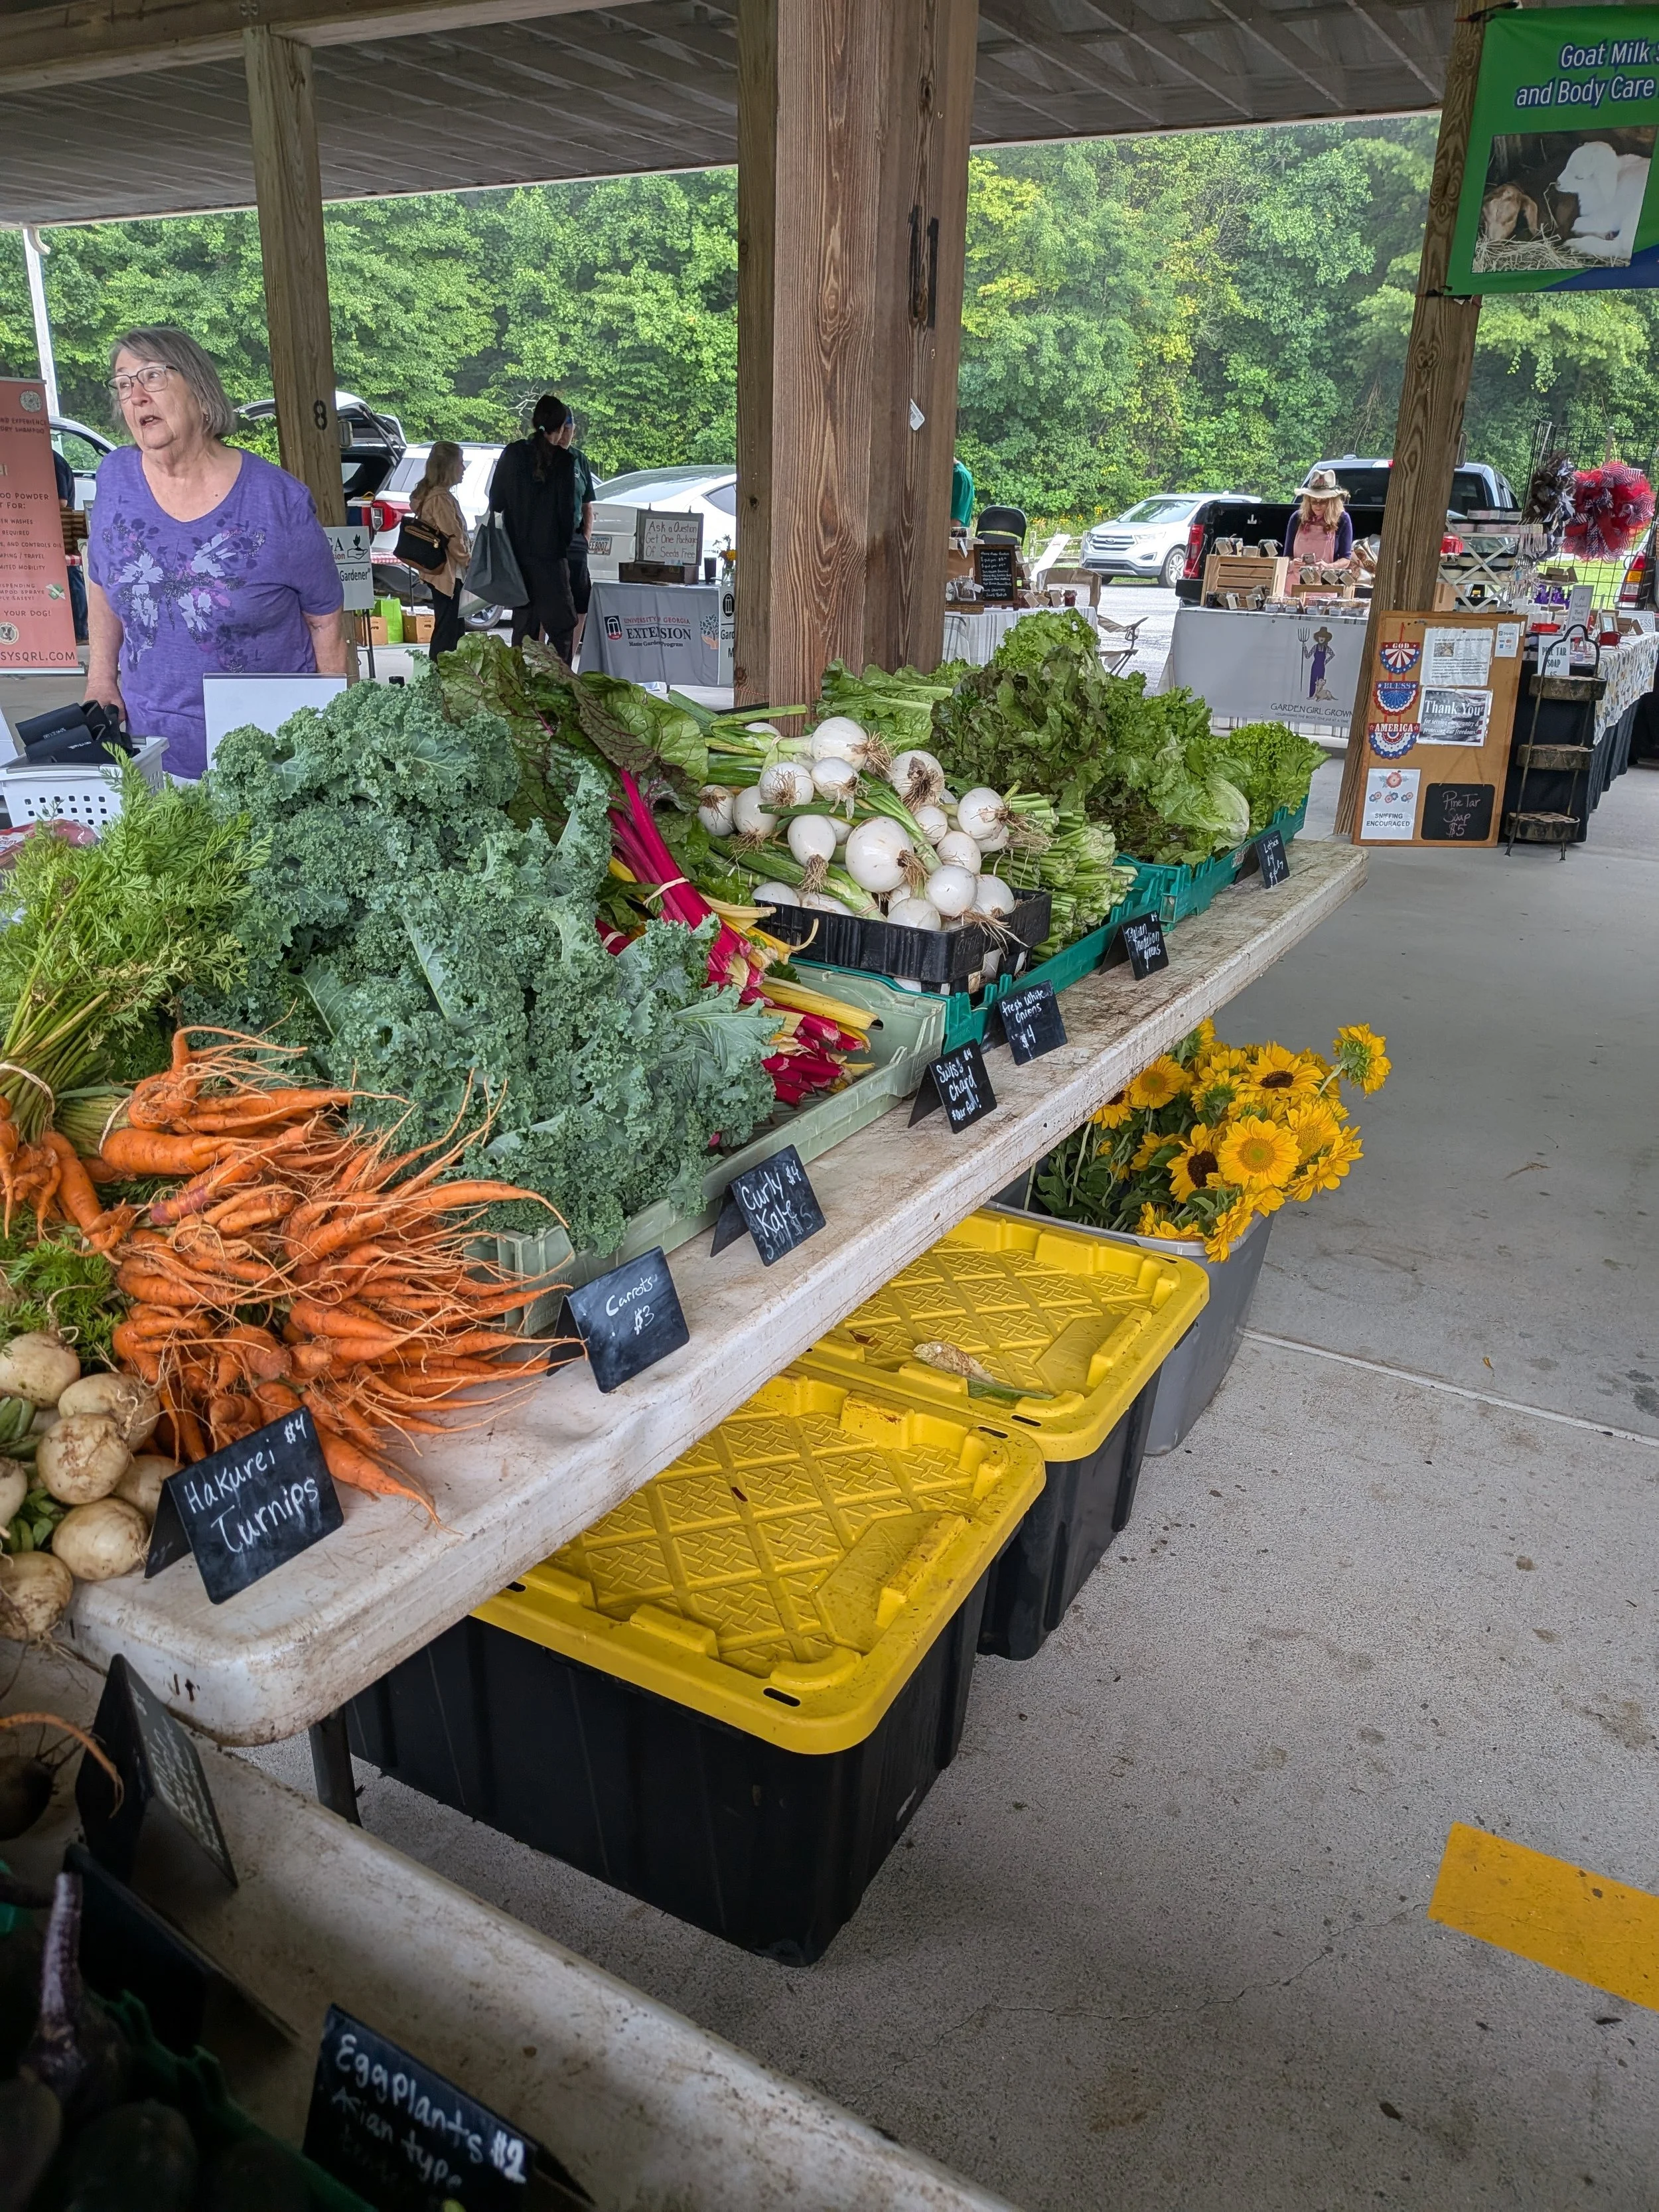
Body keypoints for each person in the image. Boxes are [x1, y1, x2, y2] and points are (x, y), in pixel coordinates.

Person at [83, 325, 345, 779]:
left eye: (152, 376)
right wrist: (101, 677)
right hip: (150, 751)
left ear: (200, 390)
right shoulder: (115, 479)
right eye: (124, 383)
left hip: (268, 758)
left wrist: (335, 734)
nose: (136, 396)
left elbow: (325, 619)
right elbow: (103, 580)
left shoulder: (276, 501)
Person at [488, 394, 577, 660]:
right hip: (550, 558)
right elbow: (567, 513)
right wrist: (562, 547)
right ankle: (560, 686)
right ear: (561, 429)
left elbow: (496, 500)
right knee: (561, 629)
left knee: (523, 626)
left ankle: (520, 685)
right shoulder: (564, 462)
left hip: (516, 555)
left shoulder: (513, 453)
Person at [409, 441, 472, 657]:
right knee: (449, 632)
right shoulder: (440, 499)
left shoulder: (433, 495)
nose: (463, 469)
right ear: (448, 467)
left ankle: (443, 677)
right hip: (447, 575)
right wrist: (468, 561)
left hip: (440, 573)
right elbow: (453, 537)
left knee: (449, 626)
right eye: (460, 463)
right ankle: (440, 678)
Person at [549, 404, 598, 654]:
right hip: (548, 541)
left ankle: (567, 651)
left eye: (571, 427)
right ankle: (545, 652)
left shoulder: (579, 459)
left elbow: (588, 504)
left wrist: (586, 537)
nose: (567, 433)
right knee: (550, 600)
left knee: (581, 600)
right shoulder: (544, 457)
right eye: (564, 428)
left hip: (576, 540)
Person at [1284, 467, 1355, 567]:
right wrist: (1291, 563)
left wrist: (1328, 566)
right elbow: (1287, 555)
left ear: (1332, 501)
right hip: (1295, 578)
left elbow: (1346, 559)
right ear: (1308, 501)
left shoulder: (1342, 519)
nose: (1318, 506)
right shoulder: (1297, 518)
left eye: (1323, 501)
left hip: (1325, 579)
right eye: (1314, 501)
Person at [53, 446, 88, 643]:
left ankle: (79, 631)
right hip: (52, 528)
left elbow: (61, 502)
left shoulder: (53, 460)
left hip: (61, 528)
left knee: (70, 574)